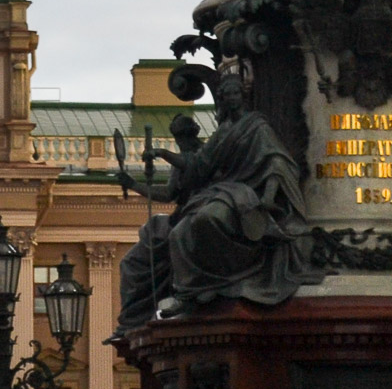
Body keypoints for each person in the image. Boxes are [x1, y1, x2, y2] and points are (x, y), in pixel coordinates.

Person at [118, 72, 309, 322]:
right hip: (225, 191)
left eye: (235, 93)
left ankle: (229, 275)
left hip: (246, 192)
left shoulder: (257, 126)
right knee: (179, 233)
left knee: (208, 219)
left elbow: (276, 162)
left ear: (243, 96)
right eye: (226, 94)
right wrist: (161, 155)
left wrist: (268, 199)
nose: (231, 98)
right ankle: (190, 292)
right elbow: (199, 165)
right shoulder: (223, 132)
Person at [109, 114, 204, 339]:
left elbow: (195, 165)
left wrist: (161, 153)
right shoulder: (180, 160)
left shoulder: (208, 154)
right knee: (129, 263)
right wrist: (134, 184)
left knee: (178, 236)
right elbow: (168, 194)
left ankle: (183, 294)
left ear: (195, 133)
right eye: (178, 137)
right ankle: (131, 321)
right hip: (179, 217)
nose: (182, 142)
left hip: (200, 213)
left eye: (184, 136)